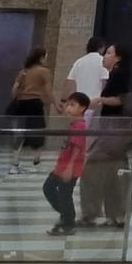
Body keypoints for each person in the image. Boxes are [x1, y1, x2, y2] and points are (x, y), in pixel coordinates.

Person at [81, 45, 132, 230]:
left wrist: (99, 100)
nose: (104, 56)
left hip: (114, 130)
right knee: (117, 170)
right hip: (117, 130)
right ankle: (117, 215)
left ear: (118, 57)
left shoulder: (118, 74)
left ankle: (92, 214)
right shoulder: (119, 74)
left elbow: (120, 100)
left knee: (93, 169)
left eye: (109, 53)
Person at [42, 92, 90, 235]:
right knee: (49, 188)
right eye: (68, 104)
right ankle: (67, 216)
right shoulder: (74, 124)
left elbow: (77, 147)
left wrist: (69, 167)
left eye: (72, 105)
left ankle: (68, 222)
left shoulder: (80, 126)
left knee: (64, 193)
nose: (68, 108)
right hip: (63, 165)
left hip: (71, 166)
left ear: (82, 108)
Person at [9, 46, 52, 165]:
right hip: (35, 103)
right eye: (46, 57)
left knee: (21, 130)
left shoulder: (24, 71)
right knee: (38, 128)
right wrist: (55, 103)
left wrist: (16, 100)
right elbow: (48, 90)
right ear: (41, 58)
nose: (46, 60)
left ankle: (16, 158)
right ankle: (36, 158)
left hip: (21, 103)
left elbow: (14, 88)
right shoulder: (44, 71)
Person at [67, 35, 108, 107]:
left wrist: (65, 100)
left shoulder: (79, 62)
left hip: (80, 102)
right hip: (96, 102)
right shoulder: (103, 61)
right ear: (101, 48)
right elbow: (104, 82)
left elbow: (70, 81)